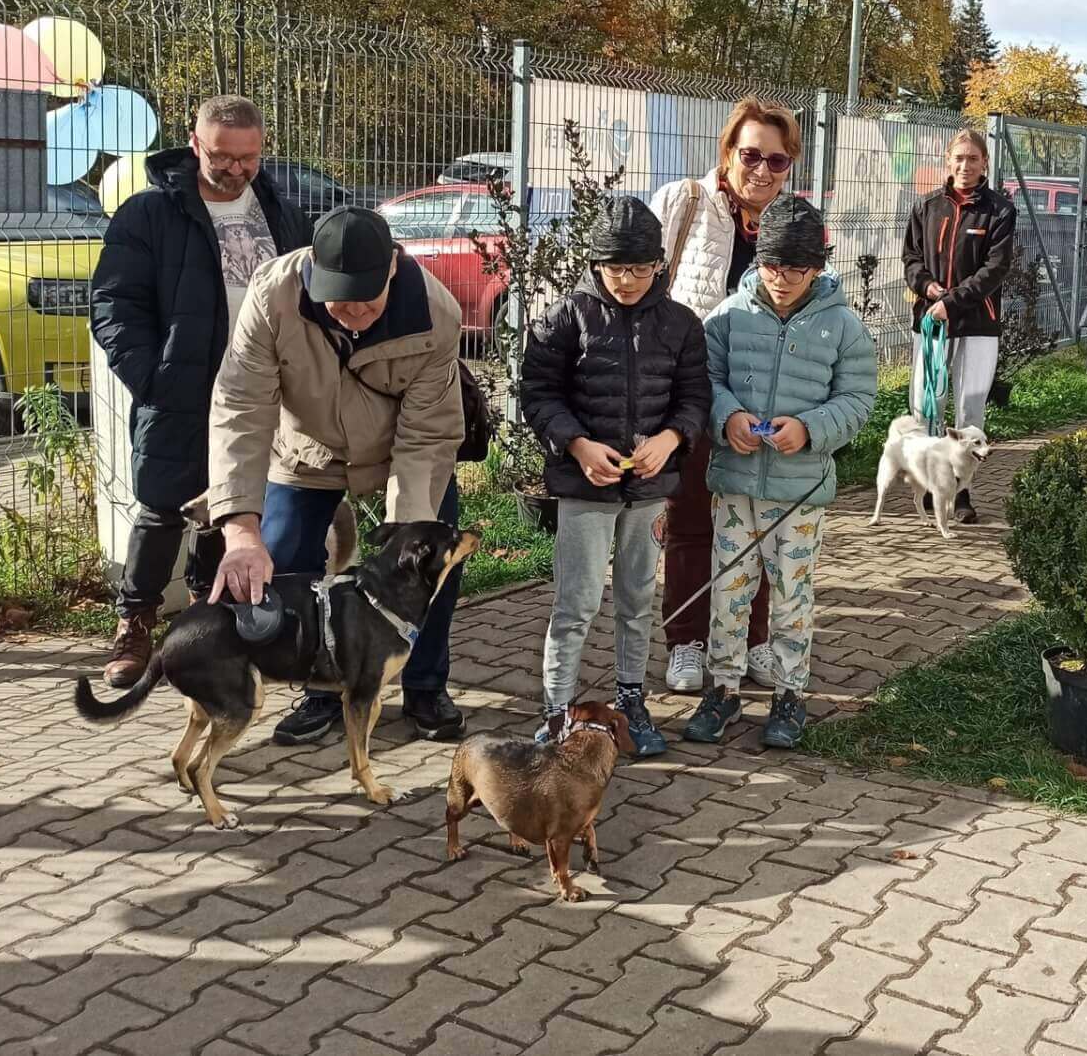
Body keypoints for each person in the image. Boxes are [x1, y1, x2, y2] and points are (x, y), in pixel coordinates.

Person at [203, 205, 471, 745]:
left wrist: (406, 542)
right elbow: (241, 407)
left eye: (365, 304)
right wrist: (239, 529)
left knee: (433, 565)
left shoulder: (435, 313)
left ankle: (423, 684)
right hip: (304, 451)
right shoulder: (272, 294)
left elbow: (425, 439)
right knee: (284, 559)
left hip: (398, 453)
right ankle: (320, 687)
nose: (350, 314)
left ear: (393, 268)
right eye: (337, 302)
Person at [89, 95, 309, 687]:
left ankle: (210, 622)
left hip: (265, 389)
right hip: (182, 386)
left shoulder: (279, 209)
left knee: (234, 504)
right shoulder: (149, 213)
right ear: (194, 145)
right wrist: (153, 375)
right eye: (221, 157)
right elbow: (113, 304)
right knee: (163, 508)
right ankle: (134, 621)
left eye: (248, 158)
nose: (236, 170)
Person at [518, 197, 711, 758]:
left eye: (639, 268)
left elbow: (695, 396)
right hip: (585, 490)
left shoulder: (680, 324)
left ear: (659, 266)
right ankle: (556, 714)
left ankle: (631, 701)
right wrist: (577, 445)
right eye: (613, 268)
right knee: (575, 603)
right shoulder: (565, 317)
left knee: (636, 599)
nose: (626, 281)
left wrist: (671, 439)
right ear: (595, 264)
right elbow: (539, 394)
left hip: (649, 491)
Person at [684, 195, 877, 750]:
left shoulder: (842, 326)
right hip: (735, 484)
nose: (783, 279)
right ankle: (720, 691)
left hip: (801, 491)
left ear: (819, 266)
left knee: (794, 595)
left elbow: (859, 396)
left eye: (798, 269)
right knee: (729, 591)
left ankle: (789, 695)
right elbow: (704, 382)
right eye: (772, 266)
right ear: (757, 260)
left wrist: (812, 428)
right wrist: (728, 418)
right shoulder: (727, 317)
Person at [650, 98, 803, 694]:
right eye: (750, 155)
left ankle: (753, 639)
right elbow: (638, 283)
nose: (762, 171)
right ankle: (686, 640)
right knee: (691, 521)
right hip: (690, 394)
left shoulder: (793, 222)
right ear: (728, 153)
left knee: (760, 522)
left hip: (764, 398)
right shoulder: (683, 202)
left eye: (777, 159)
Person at [900, 128, 1017, 520]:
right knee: (926, 404)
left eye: (973, 159)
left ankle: (962, 492)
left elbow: (995, 268)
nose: (965, 165)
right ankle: (934, 483)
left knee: (969, 406)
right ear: (947, 161)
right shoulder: (926, 206)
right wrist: (926, 286)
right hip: (931, 322)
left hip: (977, 323)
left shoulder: (999, 211)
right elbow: (911, 258)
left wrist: (953, 301)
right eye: (958, 158)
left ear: (984, 163)